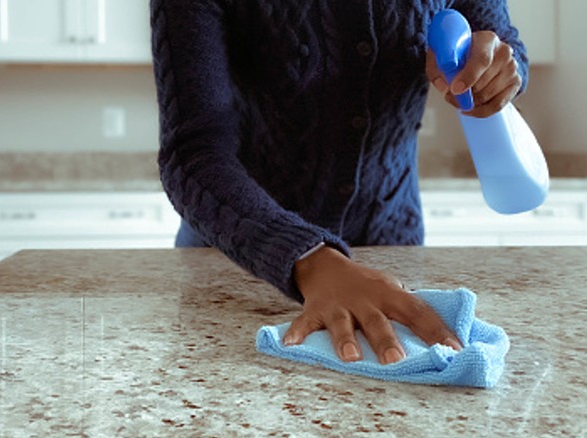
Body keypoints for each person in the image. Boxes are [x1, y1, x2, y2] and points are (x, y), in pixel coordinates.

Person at [150, 1, 526, 365]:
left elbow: (501, 43)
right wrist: (309, 260)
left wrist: (497, 72)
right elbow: (193, 154)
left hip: (391, 258)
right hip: (237, 270)